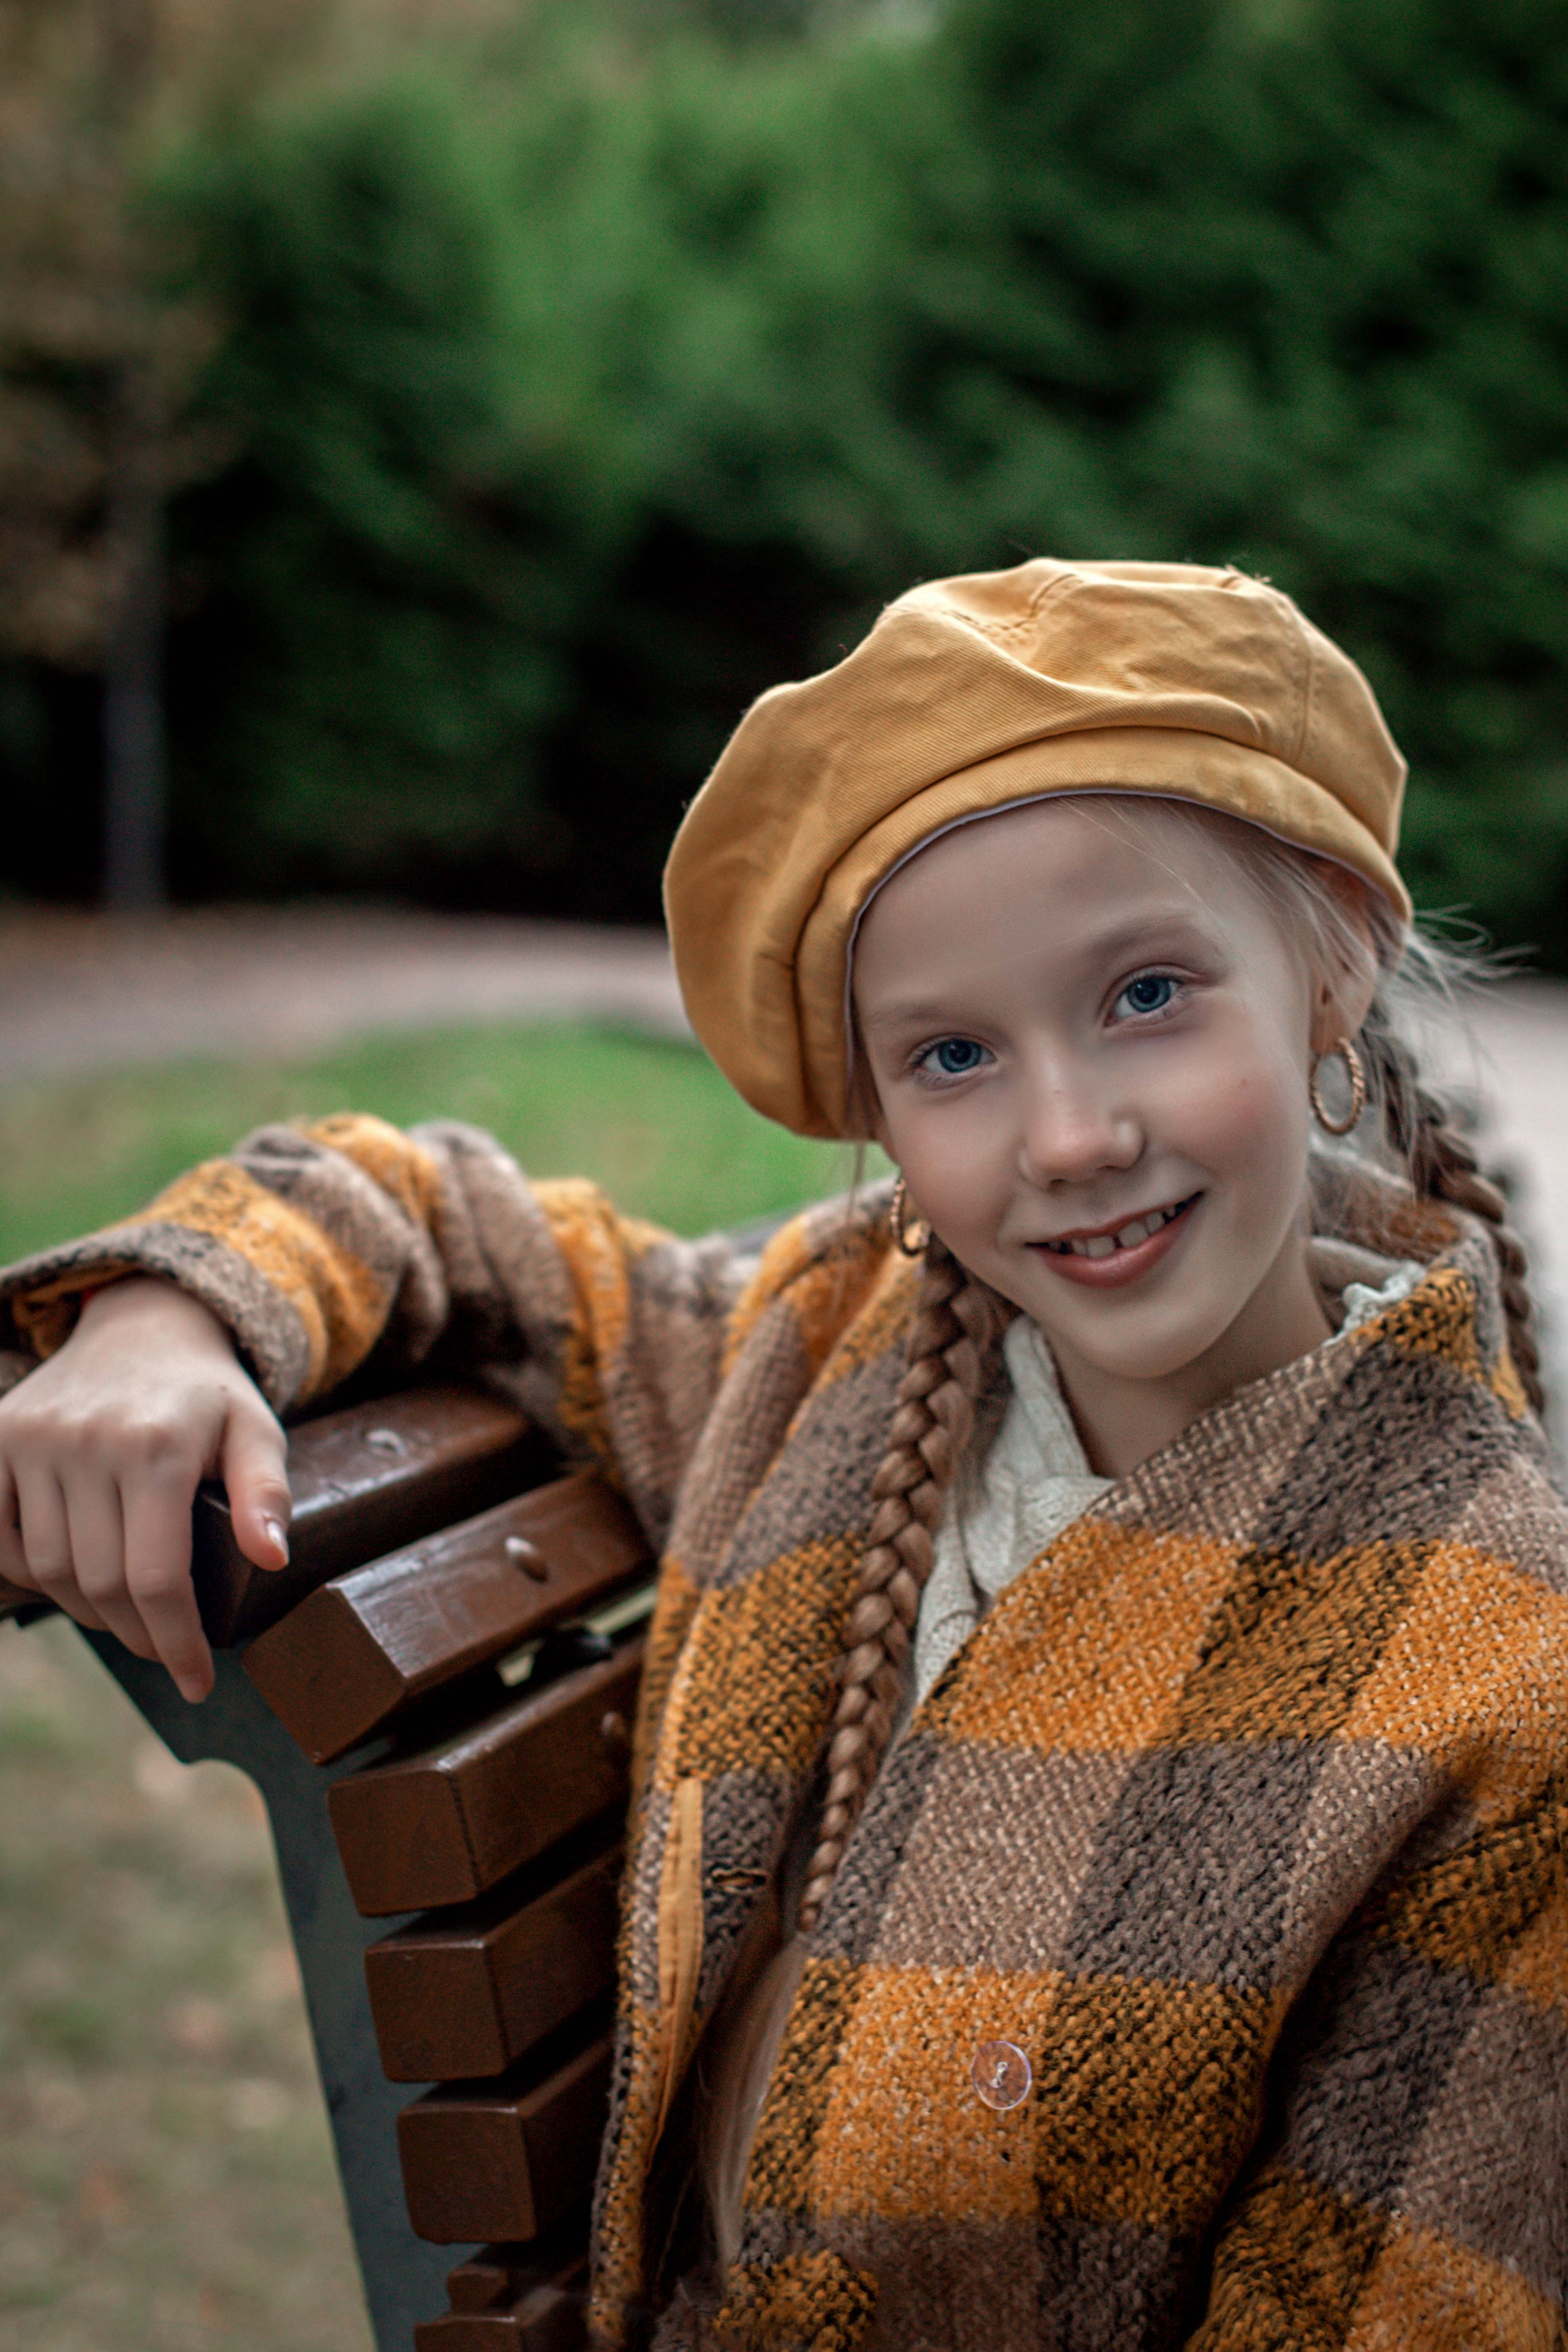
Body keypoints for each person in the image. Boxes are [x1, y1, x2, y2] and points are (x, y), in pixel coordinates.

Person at [1, 559, 1564, 2351]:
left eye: (1146, 994)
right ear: (878, 1105)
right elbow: (438, 1209)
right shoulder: (834, 1346)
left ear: (1334, 966)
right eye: (956, 1053)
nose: (1068, 1134)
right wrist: (171, 1315)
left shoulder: (1498, 1688)